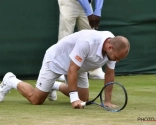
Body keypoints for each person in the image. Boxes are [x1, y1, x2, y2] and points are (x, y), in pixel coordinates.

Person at [0, 30, 130, 109]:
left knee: (83, 99)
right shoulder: (87, 41)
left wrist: (107, 101)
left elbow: (109, 73)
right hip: (56, 60)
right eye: (117, 58)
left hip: (79, 66)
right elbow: (72, 69)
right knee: (36, 100)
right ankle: (10, 80)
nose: (116, 61)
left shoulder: (113, 46)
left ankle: (52, 86)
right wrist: (74, 99)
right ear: (110, 48)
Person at [57, 0, 105, 81]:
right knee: (65, 35)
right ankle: (59, 70)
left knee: (91, 34)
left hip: (87, 3)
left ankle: (94, 70)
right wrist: (89, 13)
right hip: (69, 2)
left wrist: (97, 12)